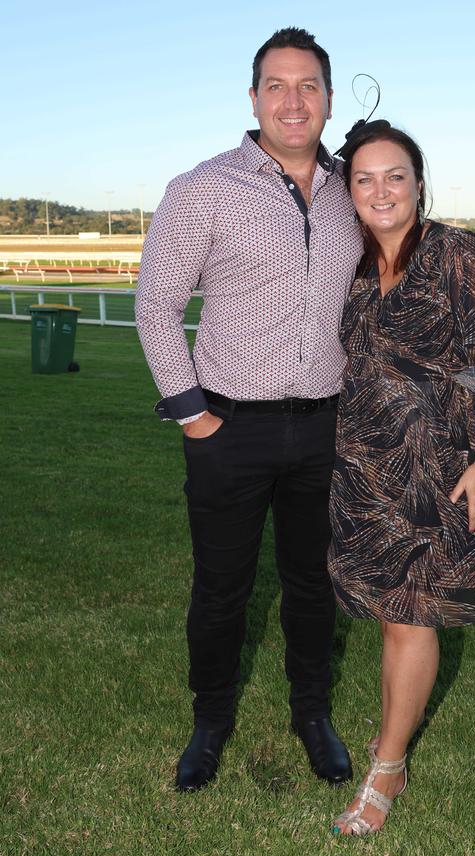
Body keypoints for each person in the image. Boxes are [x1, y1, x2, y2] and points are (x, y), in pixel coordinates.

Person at [135, 27, 363, 792]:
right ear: (253, 97)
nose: (292, 101)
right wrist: (195, 416)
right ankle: (210, 719)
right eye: (277, 85)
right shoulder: (202, 188)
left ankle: (312, 711)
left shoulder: (351, 194)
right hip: (229, 425)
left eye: (308, 86)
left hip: (325, 425)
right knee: (221, 586)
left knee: (312, 583)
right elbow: (156, 305)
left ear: (329, 99)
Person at [327, 122, 475, 834]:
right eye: (364, 178)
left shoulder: (457, 254)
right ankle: (393, 740)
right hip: (368, 474)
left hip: (440, 476)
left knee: (413, 620)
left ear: (419, 183)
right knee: (393, 622)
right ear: (349, 190)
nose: (380, 190)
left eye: (395, 175)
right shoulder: (352, 265)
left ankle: (386, 769)